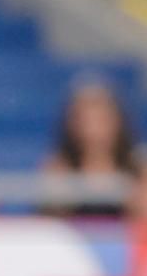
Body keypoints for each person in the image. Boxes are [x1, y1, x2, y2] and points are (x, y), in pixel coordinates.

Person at [40, 74, 138, 218]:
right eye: (86, 120)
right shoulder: (58, 169)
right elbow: (50, 222)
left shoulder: (137, 167)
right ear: (72, 124)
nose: (92, 130)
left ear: (117, 121)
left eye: (100, 120)